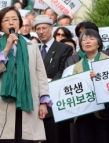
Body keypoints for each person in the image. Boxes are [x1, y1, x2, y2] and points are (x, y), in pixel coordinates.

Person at [0, 6, 51, 142]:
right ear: (0, 25)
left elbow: (41, 75)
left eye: (15, 19)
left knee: (25, 138)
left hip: (27, 103)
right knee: (5, 138)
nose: (11, 23)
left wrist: (44, 101)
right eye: (6, 20)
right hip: (3, 104)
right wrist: (7, 48)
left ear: (19, 23)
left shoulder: (32, 47)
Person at [34, 15, 73, 143]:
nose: (41, 31)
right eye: (38, 28)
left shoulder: (64, 48)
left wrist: (45, 90)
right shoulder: (33, 49)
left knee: (56, 137)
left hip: (55, 100)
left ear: (51, 28)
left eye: (44, 28)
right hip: (35, 100)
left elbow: (62, 72)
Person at [72, 29, 109, 143]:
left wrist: (100, 79)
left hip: (104, 111)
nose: (87, 42)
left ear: (99, 43)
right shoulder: (77, 66)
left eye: (91, 39)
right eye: (84, 40)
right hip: (84, 112)